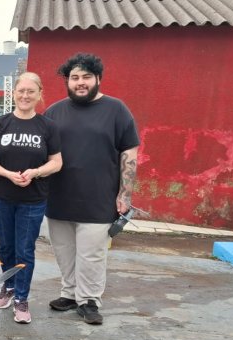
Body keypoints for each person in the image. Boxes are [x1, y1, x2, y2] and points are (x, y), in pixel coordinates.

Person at [44, 53, 139, 325]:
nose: (80, 82)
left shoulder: (116, 110)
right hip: (59, 197)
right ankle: (70, 293)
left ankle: (89, 300)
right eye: (75, 78)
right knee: (64, 251)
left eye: (86, 77)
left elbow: (129, 153)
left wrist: (125, 193)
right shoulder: (54, 111)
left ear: (98, 78)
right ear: (68, 81)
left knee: (92, 254)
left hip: (99, 198)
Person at [0, 72, 62, 324]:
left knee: (24, 249)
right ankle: (8, 287)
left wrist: (36, 172)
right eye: (21, 90)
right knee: (5, 246)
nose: (25, 95)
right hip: (1, 196)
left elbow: (57, 162)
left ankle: (22, 298)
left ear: (39, 95)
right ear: (13, 93)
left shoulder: (47, 126)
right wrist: (7, 174)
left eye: (31, 91)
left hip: (33, 200)